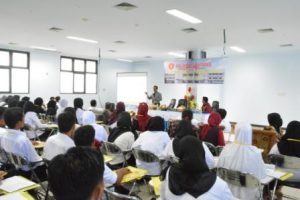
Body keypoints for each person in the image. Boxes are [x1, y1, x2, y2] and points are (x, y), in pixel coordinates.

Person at [160, 136, 233, 200]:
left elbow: (162, 197)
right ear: (203, 153)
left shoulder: (169, 173)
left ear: (179, 153)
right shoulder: (219, 185)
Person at [217, 123, 266, 199]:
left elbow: (218, 169)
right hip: (248, 196)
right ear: (250, 134)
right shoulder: (255, 152)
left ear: (236, 132)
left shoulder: (226, 149)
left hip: (226, 193)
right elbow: (262, 175)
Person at [1, 107, 46, 179]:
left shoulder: (4, 136)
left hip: (16, 168)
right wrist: (44, 158)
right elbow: (36, 161)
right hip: (31, 172)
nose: (24, 120)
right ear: (18, 123)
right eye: (23, 118)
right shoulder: (23, 140)